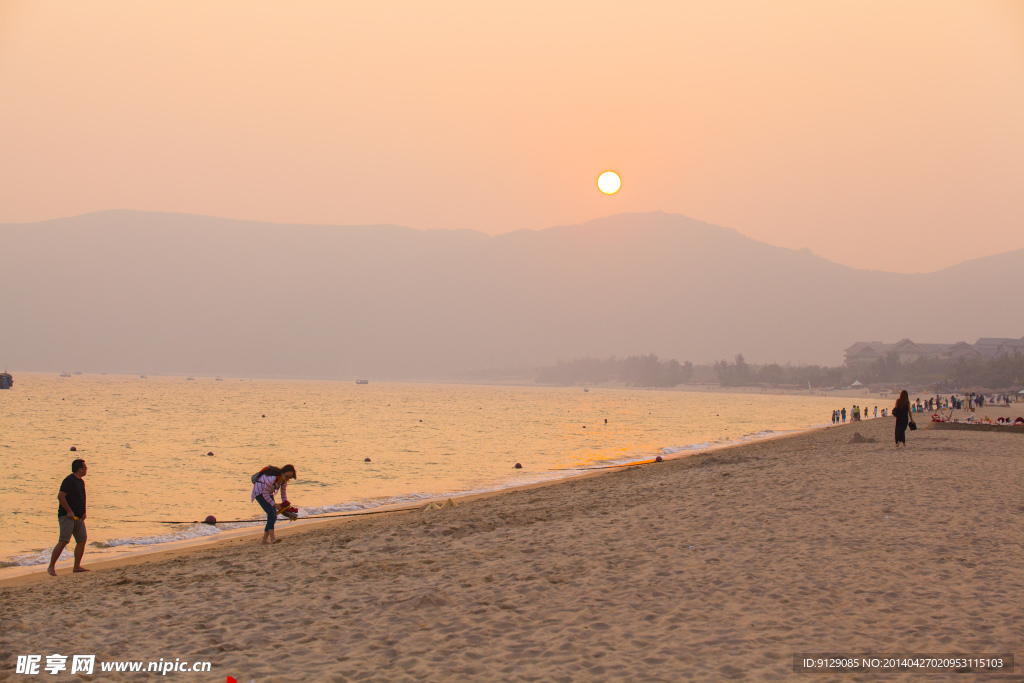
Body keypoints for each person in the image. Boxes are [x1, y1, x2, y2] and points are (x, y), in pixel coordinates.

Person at [47, 459, 89, 576]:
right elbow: (61, 496)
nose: (86, 469)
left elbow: (82, 497)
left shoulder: (81, 482)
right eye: (85, 467)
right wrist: (69, 511)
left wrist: (84, 511)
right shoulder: (69, 480)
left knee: (82, 539)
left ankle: (76, 566)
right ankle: (51, 567)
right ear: (79, 469)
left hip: (78, 517)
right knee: (64, 540)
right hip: (67, 517)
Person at [251, 464, 297, 545]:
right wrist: (275, 505)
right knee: (271, 513)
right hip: (259, 492)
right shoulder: (272, 479)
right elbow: (264, 495)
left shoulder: (284, 481)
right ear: (282, 473)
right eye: (286, 476)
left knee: (274, 515)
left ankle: (264, 541)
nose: (287, 479)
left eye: (290, 477)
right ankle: (272, 539)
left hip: (269, 492)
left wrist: (286, 506)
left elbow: (283, 494)